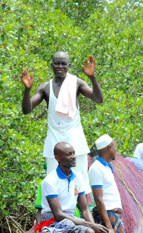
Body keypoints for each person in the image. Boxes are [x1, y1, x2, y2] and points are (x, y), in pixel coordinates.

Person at [21, 52, 103, 198]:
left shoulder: (76, 83)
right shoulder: (45, 87)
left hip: (75, 140)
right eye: (57, 63)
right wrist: (27, 89)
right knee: (54, 183)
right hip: (55, 142)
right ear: (51, 66)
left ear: (69, 66)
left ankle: (83, 216)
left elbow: (98, 98)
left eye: (63, 63)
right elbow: (27, 110)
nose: (60, 66)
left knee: (80, 183)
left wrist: (92, 77)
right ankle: (55, 216)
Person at [88, 135, 125, 233]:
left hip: (114, 214)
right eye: (115, 147)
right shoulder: (96, 168)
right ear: (109, 148)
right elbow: (98, 199)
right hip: (107, 214)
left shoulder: (107, 167)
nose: (116, 150)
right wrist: (108, 227)